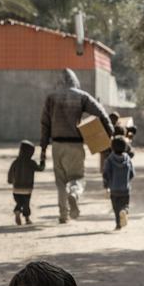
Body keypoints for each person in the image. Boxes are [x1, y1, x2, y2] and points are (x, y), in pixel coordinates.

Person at [40, 69, 114, 223]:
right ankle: (74, 194)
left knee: (60, 181)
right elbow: (102, 113)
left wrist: (43, 149)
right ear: (75, 81)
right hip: (75, 144)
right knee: (77, 178)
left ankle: (63, 215)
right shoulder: (82, 96)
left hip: (57, 145)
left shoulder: (51, 98)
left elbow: (45, 124)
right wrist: (109, 132)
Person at [9, 140, 46, 225]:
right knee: (26, 203)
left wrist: (10, 180)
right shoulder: (31, 162)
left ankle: (17, 210)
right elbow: (41, 168)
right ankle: (27, 219)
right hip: (27, 188)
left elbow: (10, 172)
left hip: (16, 189)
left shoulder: (16, 162)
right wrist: (42, 160)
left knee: (19, 202)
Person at [102, 135, 134, 230]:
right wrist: (127, 181)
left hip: (114, 189)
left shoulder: (109, 160)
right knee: (125, 205)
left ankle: (118, 225)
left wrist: (106, 185)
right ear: (125, 147)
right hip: (125, 189)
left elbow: (106, 174)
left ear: (112, 147)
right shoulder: (127, 159)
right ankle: (124, 210)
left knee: (116, 208)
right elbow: (132, 173)